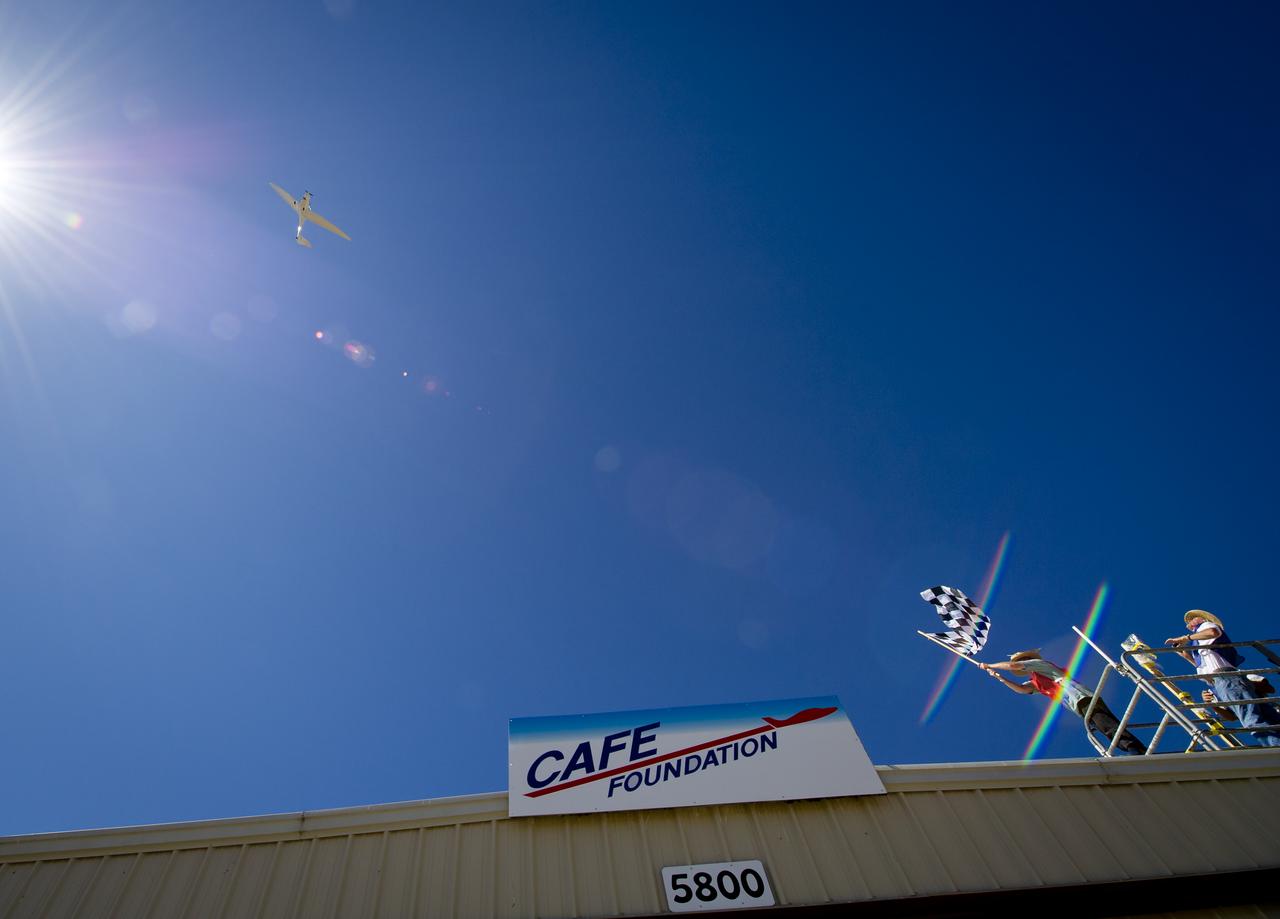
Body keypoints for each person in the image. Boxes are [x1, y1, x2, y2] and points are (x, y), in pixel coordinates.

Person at [981, 650, 1146, 754]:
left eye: (1024, 660)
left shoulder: (1039, 664)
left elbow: (1012, 665)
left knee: (1106, 724)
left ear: (1029, 660)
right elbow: (1022, 690)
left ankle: (1135, 749)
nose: (1023, 663)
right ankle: (1133, 749)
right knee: (1103, 726)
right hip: (1076, 704)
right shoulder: (1037, 679)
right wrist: (1000, 678)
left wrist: (990, 665)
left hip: (1080, 697)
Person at [1165, 610, 1280, 748]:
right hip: (1222, 679)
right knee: (1268, 719)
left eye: (1192, 619)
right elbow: (1203, 666)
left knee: (1251, 720)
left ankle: (1274, 748)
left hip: (1225, 677)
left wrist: (1186, 638)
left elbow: (1213, 632)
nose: (1189, 624)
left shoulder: (1205, 626)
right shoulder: (1203, 646)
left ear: (1201, 619)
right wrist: (1184, 652)